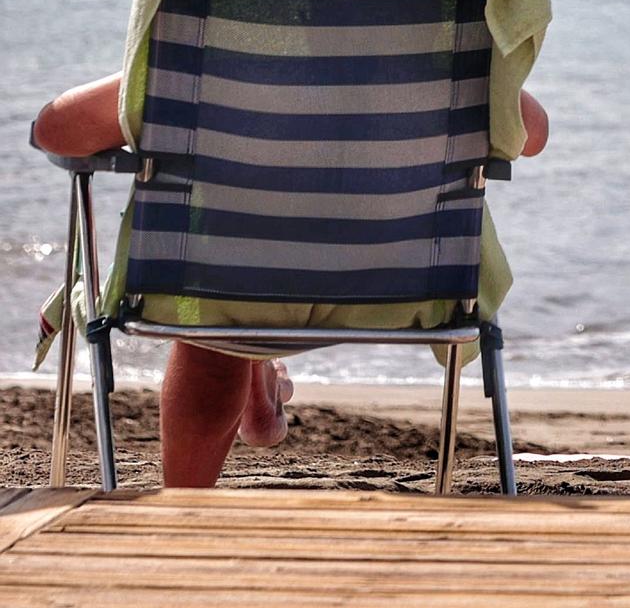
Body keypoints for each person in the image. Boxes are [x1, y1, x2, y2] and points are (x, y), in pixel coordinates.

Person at [30, 72, 550, 487]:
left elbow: (55, 132)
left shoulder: (202, 52)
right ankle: (257, 381)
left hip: (222, 297)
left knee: (213, 285)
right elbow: (533, 135)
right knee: (228, 268)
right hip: (404, 295)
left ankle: (185, 511)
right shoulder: (446, 51)